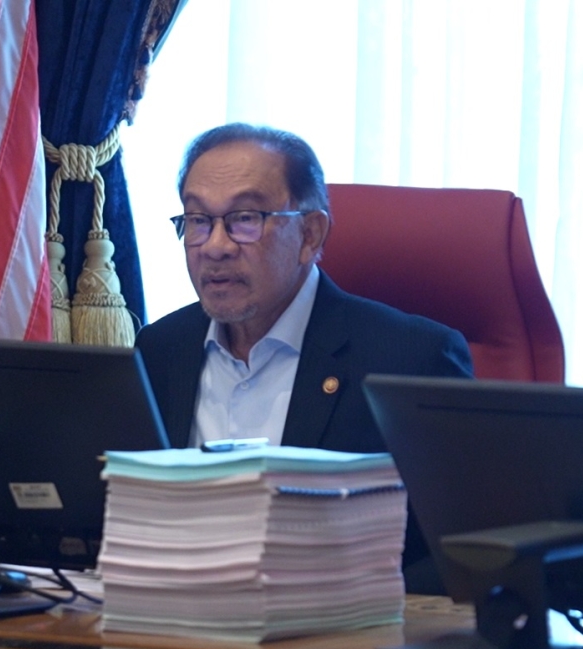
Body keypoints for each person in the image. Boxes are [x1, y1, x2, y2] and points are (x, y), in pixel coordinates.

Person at [135, 123, 473, 592]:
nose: (214, 246)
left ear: (310, 235)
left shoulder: (411, 359)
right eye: (197, 221)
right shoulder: (160, 350)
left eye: (244, 219)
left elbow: (455, 554)